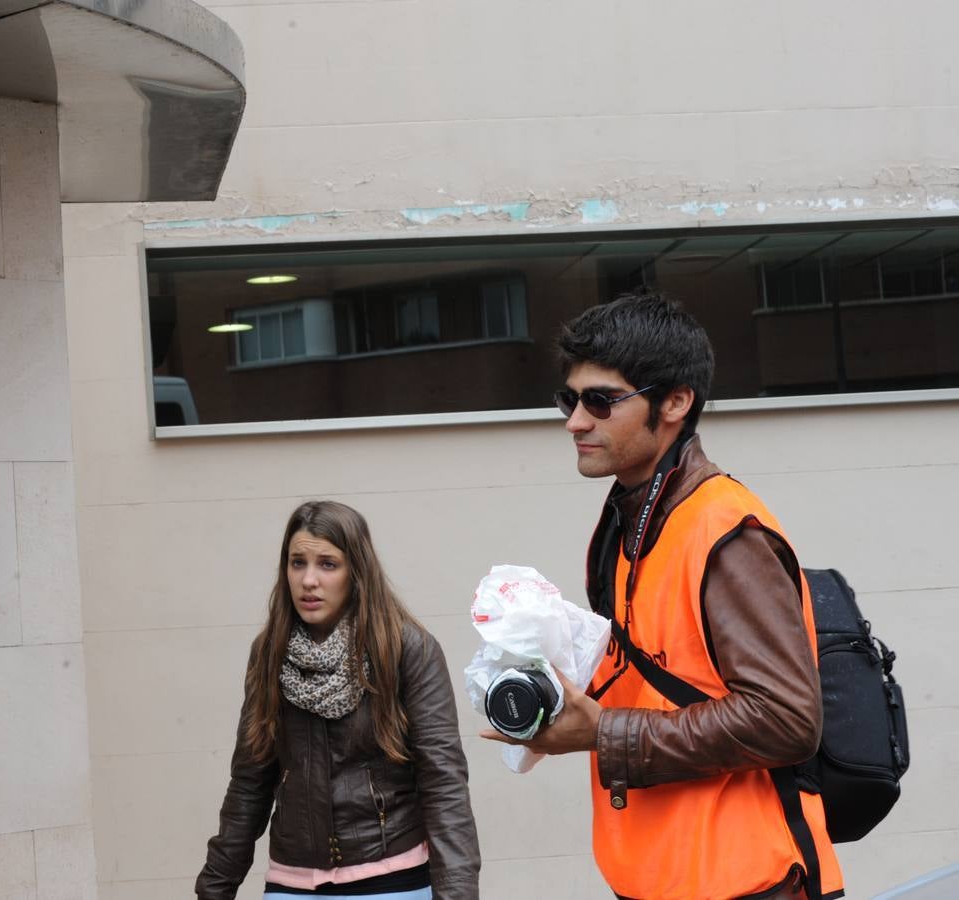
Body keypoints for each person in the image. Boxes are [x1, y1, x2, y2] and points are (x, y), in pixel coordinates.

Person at [480, 292, 844, 900]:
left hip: (750, 883)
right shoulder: (629, 523)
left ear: (675, 402)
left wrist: (603, 733)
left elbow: (787, 721)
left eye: (600, 400)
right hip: (659, 876)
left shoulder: (725, 530)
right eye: (569, 400)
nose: (575, 421)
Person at [197, 500, 480, 900]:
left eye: (327, 564)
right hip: (291, 882)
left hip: (392, 880)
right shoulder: (270, 653)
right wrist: (214, 887)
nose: (309, 580)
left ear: (356, 572)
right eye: (298, 563)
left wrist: (458, 894)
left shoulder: (405, 649)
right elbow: (250, 782)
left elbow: (443, 780)